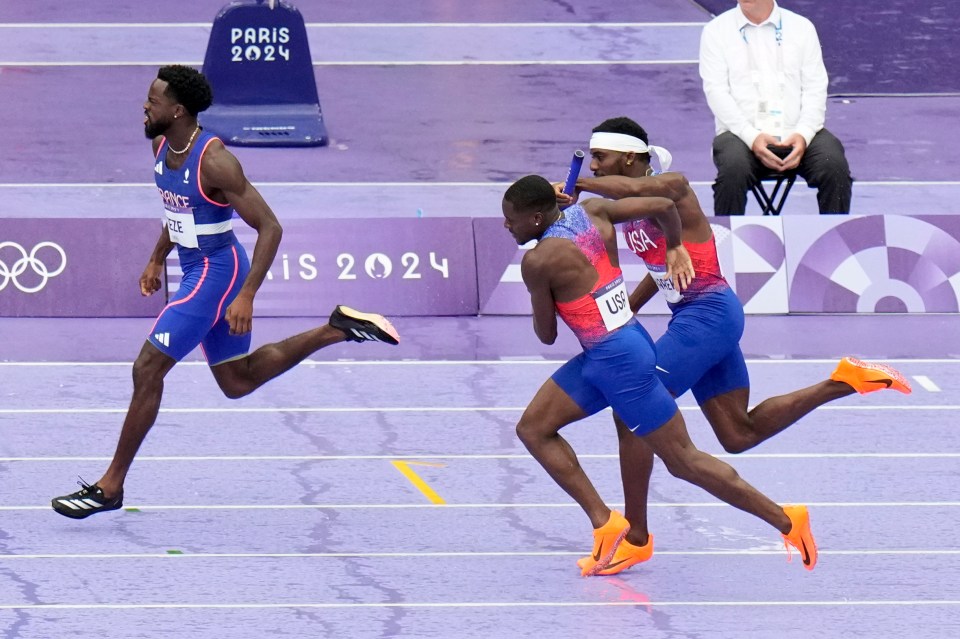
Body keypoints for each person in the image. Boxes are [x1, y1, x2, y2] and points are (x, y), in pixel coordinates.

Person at [557, 116, 911, 575]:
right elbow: (660, 271)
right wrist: (629, 310)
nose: (598, 165)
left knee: (632, 414)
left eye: (601, 157)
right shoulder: (632, 212)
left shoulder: (673, 186)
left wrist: (578, 184)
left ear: (629, 156)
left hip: (710, 315)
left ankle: (638, 538)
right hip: (699, 320)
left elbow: (645, 194)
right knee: (737, 433)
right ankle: (844, 381)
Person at [51, 65, 400, 519]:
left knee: (147, 367)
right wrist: (158, 256)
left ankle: (110, 486)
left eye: (152, 102)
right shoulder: (162, 145)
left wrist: (247, 294)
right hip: (193, 266)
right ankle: (337, 329)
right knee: (237, 380)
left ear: (177, 111)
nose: (144, 106)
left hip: (218, 272)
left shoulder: (215, 161)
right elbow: (178, 211)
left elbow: (270, 227)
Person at [503, 173, 818, 576]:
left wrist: (546, 296)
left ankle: (788, 522)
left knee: (683, 460)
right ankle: (606, 522)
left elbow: (545, 335)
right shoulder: (594, 212)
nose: (506, 225)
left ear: (534, 219)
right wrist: (673, 247)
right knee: (533, 427)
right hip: (625, 346)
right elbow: (665, 206)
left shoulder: (537, 260)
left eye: (510, 218)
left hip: (616, 364)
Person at [699, 0, 852, 215]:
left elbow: (815, 88)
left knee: (834, 165)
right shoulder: (716, 32)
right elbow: (716, 92)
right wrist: (751, 137)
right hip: (741, 135)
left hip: (797, 132)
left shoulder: (802, 28)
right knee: (733, 170)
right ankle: (726, 246)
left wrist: (804, 134)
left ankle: (836, 243)